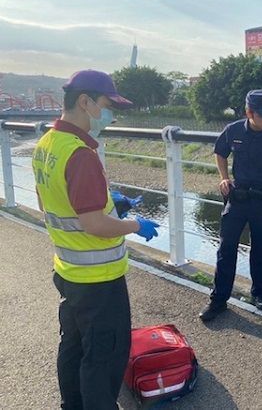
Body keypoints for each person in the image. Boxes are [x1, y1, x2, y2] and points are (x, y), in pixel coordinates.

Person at [32, 69, 160, 409]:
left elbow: (49, 202)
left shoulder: (47, 144)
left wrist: (109, 201)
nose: (111, 114)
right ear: (85, 102)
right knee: (103, 357)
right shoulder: (81, 155)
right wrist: (134, 225)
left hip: (68, 271)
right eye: (108, 104)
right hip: (99, 281)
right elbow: (93, 224)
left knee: (73, 347)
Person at [199, 89, 262, 321]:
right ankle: (218, 300)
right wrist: (223, 177)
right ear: (249, 112)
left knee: (261, 249)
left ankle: (259, 294)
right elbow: (220, 152)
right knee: (226, 249)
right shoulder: (233, 130)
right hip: (238, 198)